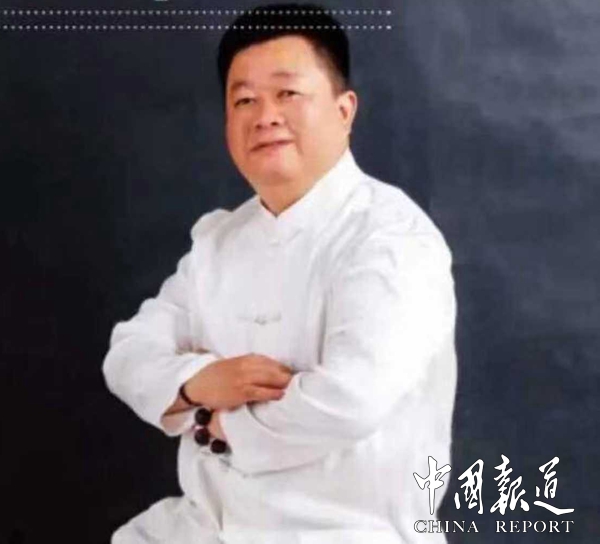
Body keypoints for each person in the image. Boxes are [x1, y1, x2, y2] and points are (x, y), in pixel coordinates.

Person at [102, 3, 458, 543]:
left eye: (287, 93)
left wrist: (222, 424)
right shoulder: (219, 240)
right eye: (244, 100)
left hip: (342, 531)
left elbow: (351, 397)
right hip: (206, 526)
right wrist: (197, 382)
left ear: (344, 110)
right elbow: (128, 354)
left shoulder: (390, 237)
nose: (265, 115)